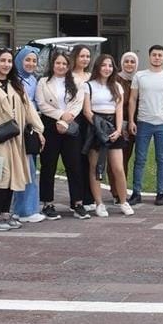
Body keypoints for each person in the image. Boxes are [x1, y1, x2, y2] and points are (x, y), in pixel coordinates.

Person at [0, 48, 45, 231]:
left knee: (14, 176)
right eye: (2, 61)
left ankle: (5, 214)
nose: (6, 64)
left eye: (9, 61)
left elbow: (29, 109)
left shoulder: (16, 85)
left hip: (17, 139)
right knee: (1, 178)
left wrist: (39, 129)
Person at [35, 51, 89, 219]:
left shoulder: (77, 82)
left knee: (74, 165)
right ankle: (47, 203)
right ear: (52, 65)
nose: (61, 66)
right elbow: (41, 104)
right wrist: (59, 115)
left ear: (68, 66)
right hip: (50, 125)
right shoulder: (43, 82)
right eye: (58, 63)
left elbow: (78, 103)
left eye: (64, 64)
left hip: (70, 125)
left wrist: (66, 120)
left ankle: (77, 203)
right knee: (48, 165)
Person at [83, 54, 134, 217]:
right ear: (97, 67)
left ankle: (123, 201)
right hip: (95, 127)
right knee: (96, 168)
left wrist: (118, 130)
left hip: (113, 128)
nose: (107, 69)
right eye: (104, 65)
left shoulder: (117, 87)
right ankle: (99, 203)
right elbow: (87, 111)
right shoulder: (88, 86)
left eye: (110, 66)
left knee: (118, 168)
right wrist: (99, 127)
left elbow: (119, 111)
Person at [129, 45, 163, 206]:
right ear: (149, 56)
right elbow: (132, 99)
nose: (157, 57)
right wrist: (131, 120)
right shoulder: (140, 76)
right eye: (154, 55)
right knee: (140, 159)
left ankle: (160, 193)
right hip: (143, 122)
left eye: (160, 55)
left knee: (162, 159)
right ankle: (136, 193)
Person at [11, 46, 46, 223]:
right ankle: (26, 210)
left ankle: (22, 208)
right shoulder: (14, 80)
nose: (31, 64)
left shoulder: (33, 80)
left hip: (31, 128)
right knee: (25, 169)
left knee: (30, 167)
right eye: (27, 60)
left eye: (34, 61)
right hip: (20, 128)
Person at [69, 45, 94, 206]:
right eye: (82, 56)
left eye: (87, 56)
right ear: (75, 57)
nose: (85, 59)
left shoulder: (92, 76)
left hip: (91, 121)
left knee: (90, 160)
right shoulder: (68, 76)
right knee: (76, 160)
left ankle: (89, 197)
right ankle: (76, 199)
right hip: (75, 120)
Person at [113, 51, 139, 204]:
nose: (129, 64)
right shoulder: (115, 79)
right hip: (119, 123)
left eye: (132, 62)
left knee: (128, 157)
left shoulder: (138, 79)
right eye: (126, 61)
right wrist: (120, 124)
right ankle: (116, 192)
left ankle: (123, 189)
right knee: (117, 158)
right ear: (122, 63)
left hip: (135, 124)